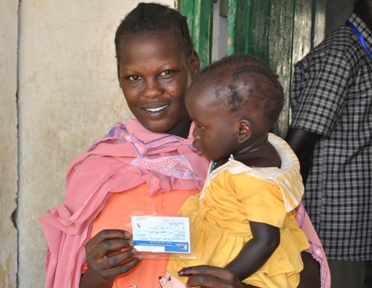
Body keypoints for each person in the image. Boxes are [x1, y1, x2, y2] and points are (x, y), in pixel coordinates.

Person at [39, 3, 328, 288]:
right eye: (134, 77)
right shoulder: (96, 171)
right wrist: (98, 275)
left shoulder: (240, 164)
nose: (151, 91)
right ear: (119, 78)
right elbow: (68, 278)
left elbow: (306, 273)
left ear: (192, 65)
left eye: (167, 72)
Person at [165, 53, 309, 287]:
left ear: (242, 131)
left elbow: (266, 240)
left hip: (241, 261)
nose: (194, 134)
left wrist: (228, 276)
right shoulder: (258, 146)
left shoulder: (255, 180)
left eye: (201, 126)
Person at [285, 0, 372, 287]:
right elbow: (298, 145)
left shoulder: (360, 51)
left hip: (356, 224)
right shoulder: (342, 54)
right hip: (337, 229)